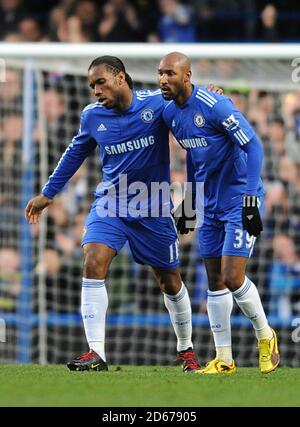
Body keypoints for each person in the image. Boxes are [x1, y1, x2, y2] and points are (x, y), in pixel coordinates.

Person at [25, 55, 203, 373]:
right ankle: (96, 353)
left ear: (120, 77)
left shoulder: (157, 106)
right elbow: (75, 152)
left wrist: (210, 95)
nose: (95, 90)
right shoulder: (92, 116)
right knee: (93, 260)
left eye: (100, 82)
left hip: (153, 207)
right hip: (111, 203)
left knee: (170, 281)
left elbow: (192, 130)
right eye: (91, 85)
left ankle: (186, 349)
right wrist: (48, 193)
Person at [158, 52, 280, 374]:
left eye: (169, 73)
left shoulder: (216, 105)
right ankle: (224, 359)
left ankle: (266, 337)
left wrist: (251, 198)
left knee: (232, 276)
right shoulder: (171, 114)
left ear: (187, 76)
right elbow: (192, 157)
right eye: (159, 73)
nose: (162, 80)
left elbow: (253, 146)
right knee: (214, 280)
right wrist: (188, 204)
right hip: (209, 202)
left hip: (239, 198)